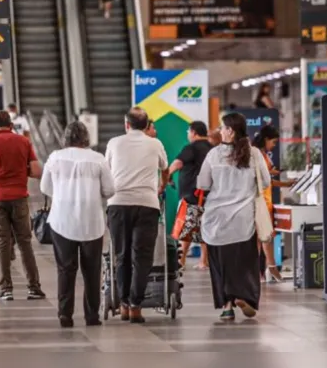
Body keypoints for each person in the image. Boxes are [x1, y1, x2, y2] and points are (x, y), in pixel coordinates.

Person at [40, 121, 115, 328]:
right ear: (86, 138)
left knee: (65, 269)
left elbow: (44, 186)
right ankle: (92, 316)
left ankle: (65, 315)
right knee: (92, 271)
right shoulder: (98, 159)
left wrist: (64, 195)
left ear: (66, 138)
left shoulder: (55, 157)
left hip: (62, 221)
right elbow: (110, 190)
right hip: (91, 222)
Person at [197, 112, 270, 321]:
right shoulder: (254, 153)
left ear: (230, 130)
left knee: (220, 264)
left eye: (222, 128)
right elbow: (265, 182)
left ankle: (227, 306)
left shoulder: (213, 155)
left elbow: (203, 184)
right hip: (243, 219)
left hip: (216, 219)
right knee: (244, 263)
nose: (220, 131)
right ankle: (243, 295)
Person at [105, 107, 168, 323]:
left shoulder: (114, 143)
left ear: (126, 124)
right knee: (142, 257)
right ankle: (135, 305)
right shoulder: (155, 144)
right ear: (147, 125)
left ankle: (123, 303)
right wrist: (161, 185)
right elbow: (165, 168)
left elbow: (107, 170)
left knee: (121, 255)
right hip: (147, 205)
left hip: (118, 204)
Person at [0, 111, 46, 301]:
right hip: (19, 197)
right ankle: (34, 287)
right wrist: (20, 171)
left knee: (2, 243)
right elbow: (36, 171)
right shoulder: (23, 142)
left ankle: (6, 289)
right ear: (11, 125)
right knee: (25, 243)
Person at [252, 125, 296, 282]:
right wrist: (285, 183)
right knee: (263, 236)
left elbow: (267, 177)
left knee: (263, 237)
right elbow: (264, 179)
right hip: (261, 200)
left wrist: (280, 179)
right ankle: (268, 270)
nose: (274, 145)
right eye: (274, 142)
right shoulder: (257, 154)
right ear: (266, 140)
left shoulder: (261, 153)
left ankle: (265, 271)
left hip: (264, 199)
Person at [168, 121, 212, 270]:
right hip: (208, 195)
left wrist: (166, 176)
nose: (188, 135)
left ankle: (181, 261)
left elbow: (178, 164)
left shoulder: (191, 148)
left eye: (188, 132)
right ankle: (203, 261)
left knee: (185, 229)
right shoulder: (212, 149)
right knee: (204, 229)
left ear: (193, 132)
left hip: (191, 195)